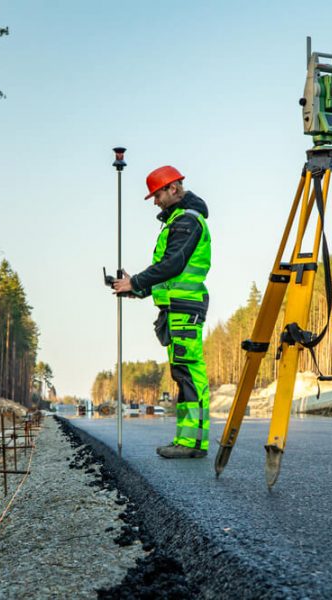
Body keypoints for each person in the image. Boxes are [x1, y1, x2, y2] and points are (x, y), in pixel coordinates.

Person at [113, 166, 211, 458]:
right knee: (183, 374)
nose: (154, 202)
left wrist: (138, 281)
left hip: (185, 307)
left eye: (156, 195)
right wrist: (137, 289)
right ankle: (187, 441)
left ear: (173, 189)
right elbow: (169, 274)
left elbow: (173, 264)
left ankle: (193, 444)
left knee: (190, 373)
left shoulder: (186, 222)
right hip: (177, 306)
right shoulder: (179, 221)